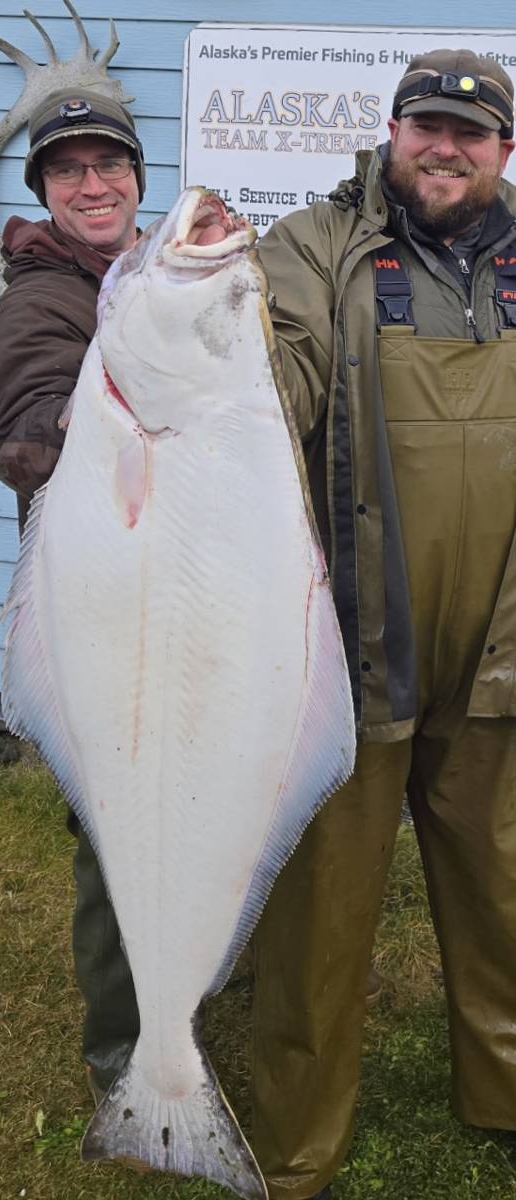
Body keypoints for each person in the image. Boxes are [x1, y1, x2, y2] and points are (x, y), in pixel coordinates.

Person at [249, 48, 516, 1200]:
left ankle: (503, 1096)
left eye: (472, 132)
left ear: (502, 150)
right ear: (391, 131)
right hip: (354, 641)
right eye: (425, 126)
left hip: (500, 643)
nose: (444, 147)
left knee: (505, 887)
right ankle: (298, 1144)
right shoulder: (314, 247)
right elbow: (276, 377)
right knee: (318, 915)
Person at [0, 87, 147, 1101]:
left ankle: (184, 988)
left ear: (136, 177)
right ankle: (122, 1057)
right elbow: (29, 425)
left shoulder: (140, 277)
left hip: (173, 598)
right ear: (45, 189)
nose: (93, 184)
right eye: (68, 170)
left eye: (109, 165)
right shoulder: (42, 298)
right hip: (95, 608)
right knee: (112, 832)